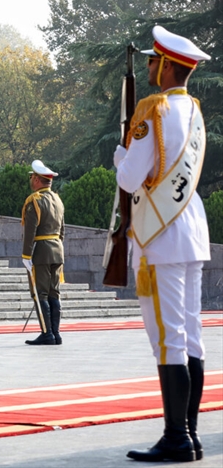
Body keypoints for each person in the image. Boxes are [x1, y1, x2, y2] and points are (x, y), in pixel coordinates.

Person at [115, 25, 211, 463]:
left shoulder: (152, 110)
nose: (151, 67)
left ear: (169, 65)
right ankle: (189, 433)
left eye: (155, 61)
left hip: (161, 236)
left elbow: (130, 177)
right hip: (191, 230)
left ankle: (177, 438)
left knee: (169, 338)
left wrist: (121, 156)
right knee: (191, 335)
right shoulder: (193, 110)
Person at [21, 159, 66, 346]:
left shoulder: (35, 201)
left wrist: (26, 255)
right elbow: (62, 229)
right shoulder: (58, 199)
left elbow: (30, 231)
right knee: (54, 293)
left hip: (41, 252)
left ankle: (47, 333)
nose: (31, 180)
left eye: (32, 177)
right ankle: (56, 333)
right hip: (57, 250)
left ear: (38, 180)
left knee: (40, 294)